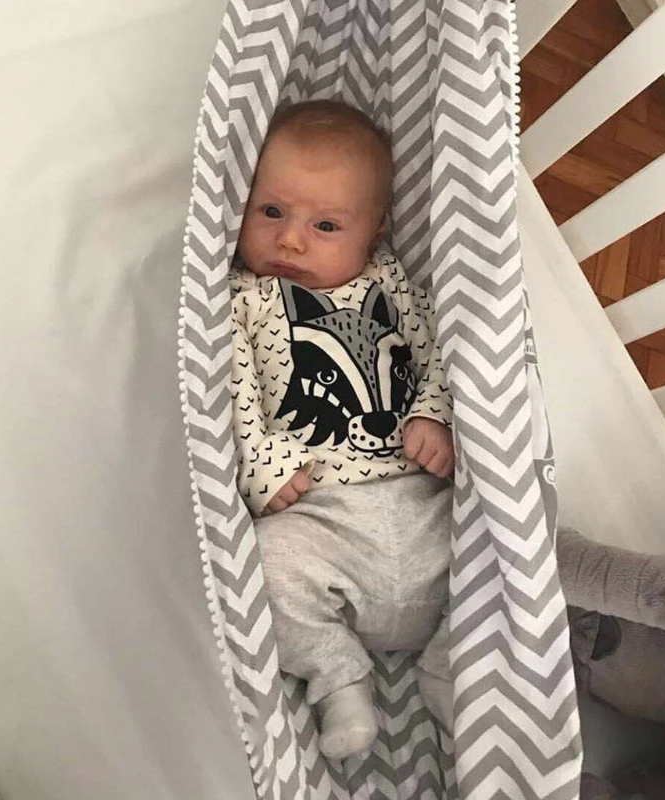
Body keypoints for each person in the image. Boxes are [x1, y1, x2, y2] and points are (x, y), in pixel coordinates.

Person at [230, 99, 454, 760]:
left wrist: (433, 414)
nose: (291, 240)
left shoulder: (392, 284)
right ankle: (339, 681)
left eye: (325, 225)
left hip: (424, 505)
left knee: (510, 541)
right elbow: (235, 389)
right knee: (262, 566)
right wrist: (263, 464)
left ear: (373, 233)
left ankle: (451, 668)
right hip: (322, 518)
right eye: (271, 212)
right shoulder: (243, 298)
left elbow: (441, 351)